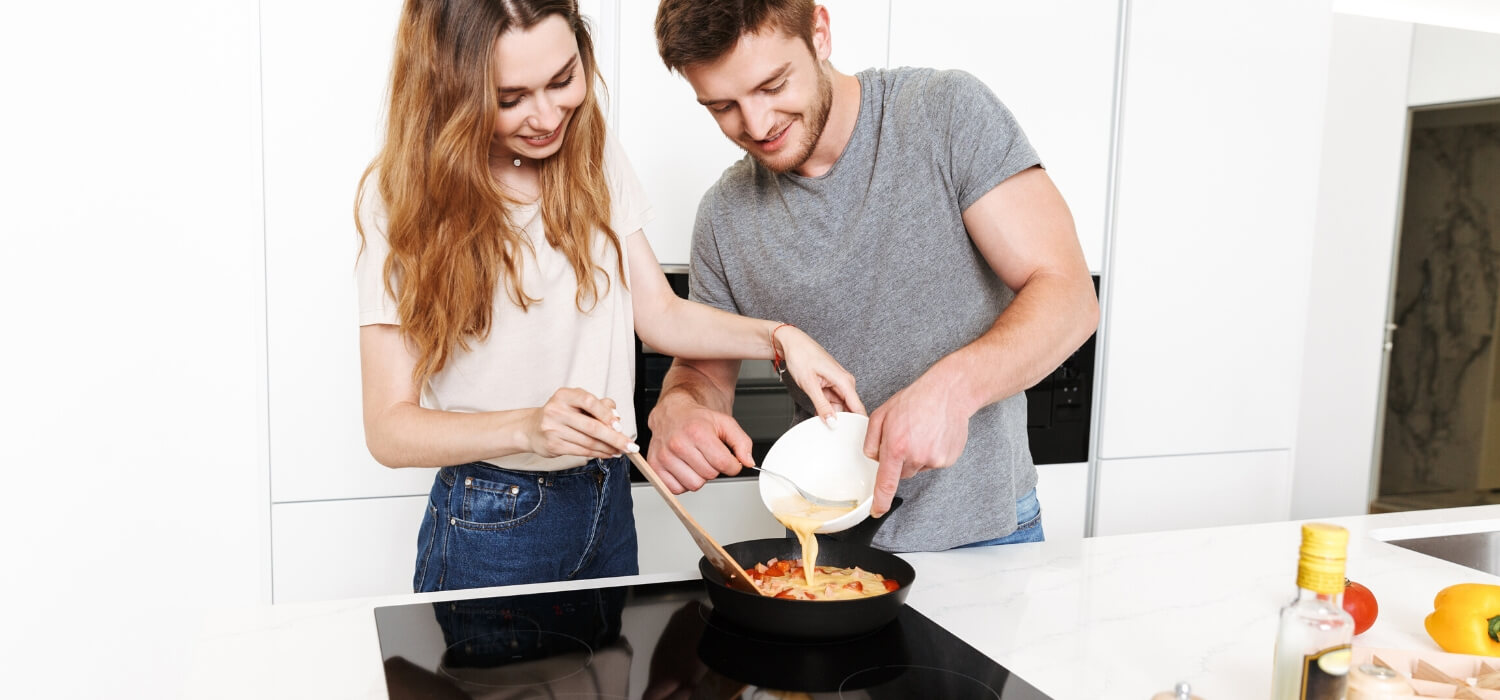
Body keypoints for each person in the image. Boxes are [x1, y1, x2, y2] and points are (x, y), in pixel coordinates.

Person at [353, 0, 862, 593]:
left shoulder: (590, 152)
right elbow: (388, 428)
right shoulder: (403, 201)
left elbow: (659, 315)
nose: (547, 117)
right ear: (452, 89)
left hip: (609, 494)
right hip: (491, 517)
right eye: (511, 97)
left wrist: (779, 338)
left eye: (563, 80)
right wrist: (529, 428)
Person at [647, 0, 1100, 552]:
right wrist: (681, 408)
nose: (757, 124)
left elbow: (1070, 295)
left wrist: (954, 390)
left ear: (819, 31)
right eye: (723, 106)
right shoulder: (724, 216)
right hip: (825, 548)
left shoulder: (945, 114)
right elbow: (702, 372)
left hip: (989, 538)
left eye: (773, 86)